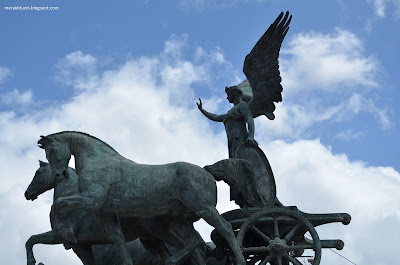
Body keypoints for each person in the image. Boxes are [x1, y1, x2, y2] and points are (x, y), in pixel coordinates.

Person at [197, 86, 257, 158]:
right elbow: (216, 117)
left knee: (241, 160)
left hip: (240, 137)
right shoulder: (231, 112)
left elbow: (250, 120)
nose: (227, 97)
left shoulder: (242, 105)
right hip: (232, 140)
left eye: (228, 94)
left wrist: (251, 136)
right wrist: (202, 110)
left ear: (235, 93)